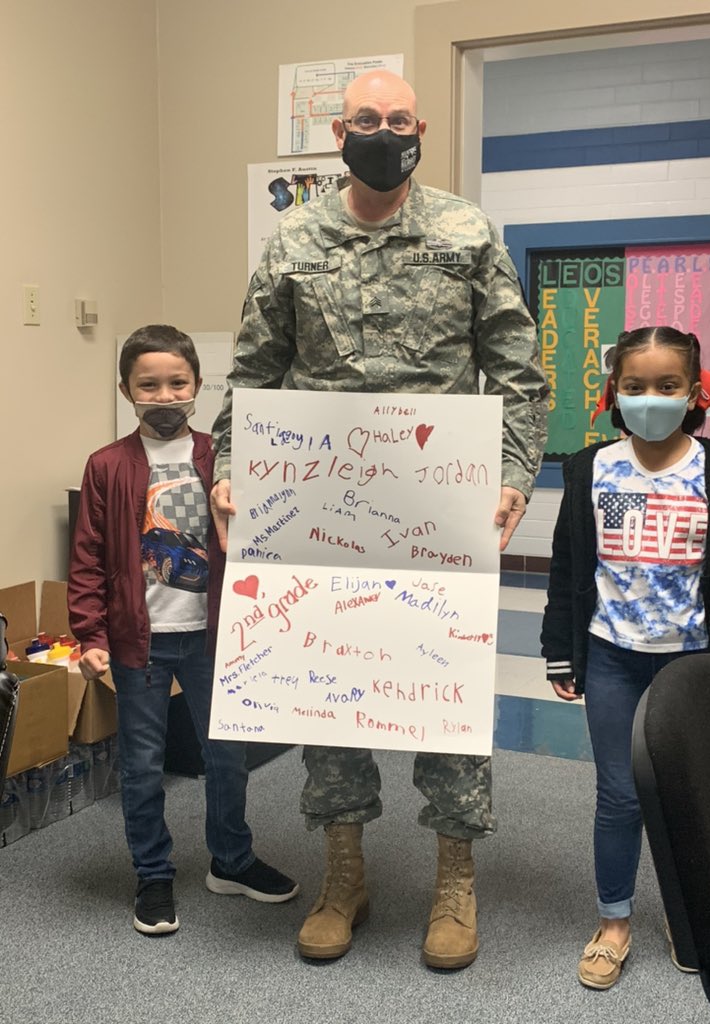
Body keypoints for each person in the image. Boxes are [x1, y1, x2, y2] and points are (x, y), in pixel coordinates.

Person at [211, 70, 548, 969]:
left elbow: (518, 372)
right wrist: (234, 469)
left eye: (399, 119)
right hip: (320, 502)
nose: (384, 132)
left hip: (439, 504)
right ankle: (344, 875)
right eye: (368, 118)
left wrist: (513, 477)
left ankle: (454, 881)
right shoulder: (294, 239)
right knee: (330, 686)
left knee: (443, 692)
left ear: (420, 128)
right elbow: (254, 372)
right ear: (339, 131)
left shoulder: (465, 231)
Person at [540, 325, 710, 989]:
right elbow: (568, 568)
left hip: (692, 667)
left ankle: (687, 911)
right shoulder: (590, 468)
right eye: (635, 386)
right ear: (615, 392)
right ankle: (613, 921)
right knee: (618, 797)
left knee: (693, 801)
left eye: (667, 385)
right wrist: (560, 652)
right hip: (612, 657)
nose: (650, 398)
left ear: (693, 393)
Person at [68, 324, 299, 936]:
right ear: (126, 390)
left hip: (214, 637)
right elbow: (87, 557)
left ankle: (232, 860)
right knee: (143, 765)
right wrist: (90, 634)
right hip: (138, 643)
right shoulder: (106, 466)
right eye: (149, 385)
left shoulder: (221, 457)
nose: (165, 396)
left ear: (199, 384)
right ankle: (153, 873)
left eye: (178, 383)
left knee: (227, 755)